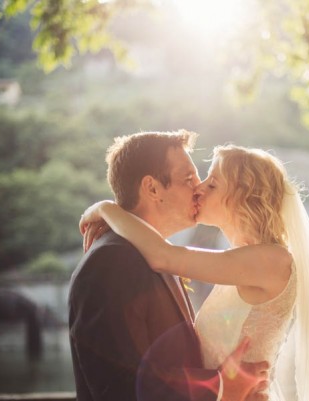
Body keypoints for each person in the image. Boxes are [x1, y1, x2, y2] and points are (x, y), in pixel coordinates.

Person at [80, 144, 309, 401]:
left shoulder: (272, 260)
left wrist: (105, 209)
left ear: (243, 196)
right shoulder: (240, 262)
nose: (199, 189)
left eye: (212, 183)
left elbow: (163, 256)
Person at [68, 131, 270, 401]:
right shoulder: (111, 262)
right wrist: (219, 387)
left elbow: (170, 366)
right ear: (152, 188)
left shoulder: (155, 254)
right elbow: (121, 384)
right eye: (188, 179)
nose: (198, 188)